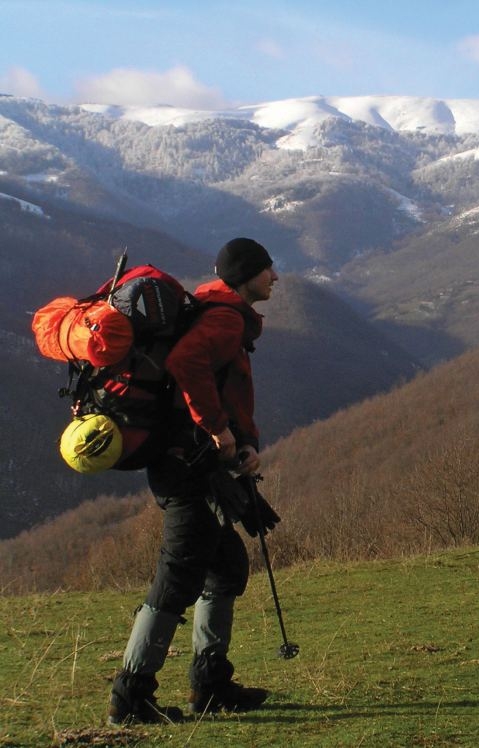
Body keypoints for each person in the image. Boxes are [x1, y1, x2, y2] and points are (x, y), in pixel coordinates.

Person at [108, 237, 280, 725]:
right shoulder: (226, 318)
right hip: (185, 462)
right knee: (179, 572)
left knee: (224, 566)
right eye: (267, 270)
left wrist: (238, 439)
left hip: (193, 460)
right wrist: (217, 428)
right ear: (246, 274)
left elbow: (219, 383)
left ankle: (210, 684)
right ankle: (131, 695)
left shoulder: (213, 306)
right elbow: (187, 365)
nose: (275, 278)